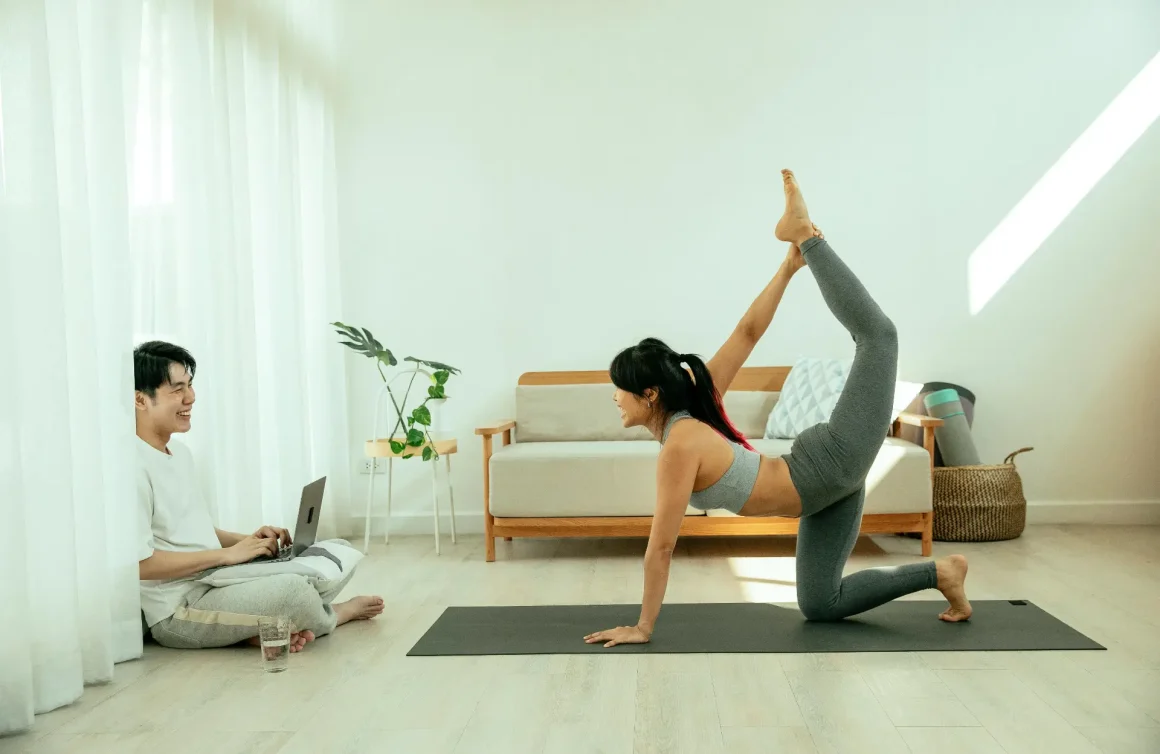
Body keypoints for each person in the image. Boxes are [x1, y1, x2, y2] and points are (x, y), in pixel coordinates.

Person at [584, 170, 971, 648]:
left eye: (619, 389)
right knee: (820, 604)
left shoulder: (681, 444)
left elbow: (661, 547)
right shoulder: (696, 409)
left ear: (650, 395)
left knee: (878, 337)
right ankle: (942, 573)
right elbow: (747, 332)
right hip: (824, 493)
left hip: (832, 461)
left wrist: (643, 626)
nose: (614, 398)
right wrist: (785, 271)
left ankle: (807, 233)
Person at [134, 340, 384, 651]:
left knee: (337, 552)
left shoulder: (179, 453)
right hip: (179, 608)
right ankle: (333, 616)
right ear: (141, 400)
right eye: (177, 389)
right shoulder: (131, 467)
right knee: (293, 590)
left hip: (217, 579)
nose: (191, 397)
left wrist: (249, 542)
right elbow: (140, 564)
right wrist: (228, 555)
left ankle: (257, 628)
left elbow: (187, 530)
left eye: (190, 385)